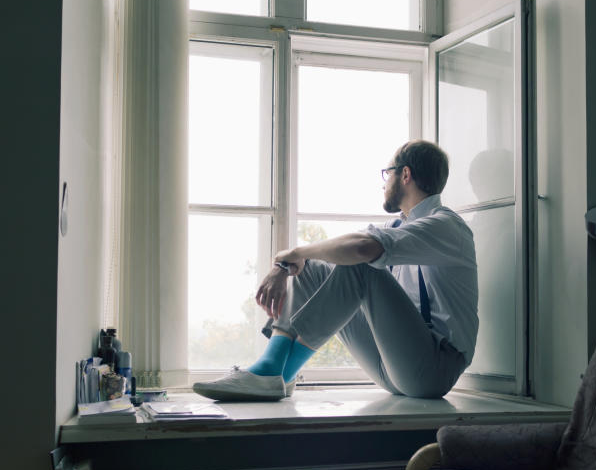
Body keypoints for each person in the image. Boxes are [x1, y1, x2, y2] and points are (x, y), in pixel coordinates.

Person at [192, 139, 478, 401]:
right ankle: (278, 373)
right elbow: (351, 251)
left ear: (405, 175)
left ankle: (270, 374)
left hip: (433, 370)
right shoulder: (397, 228)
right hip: (393, 365)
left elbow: (362, 249)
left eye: (387, 173)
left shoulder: (446, 227)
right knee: (314, 270)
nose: (383, 183)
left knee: (361, 266)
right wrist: (288, 265)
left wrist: (293, 253)